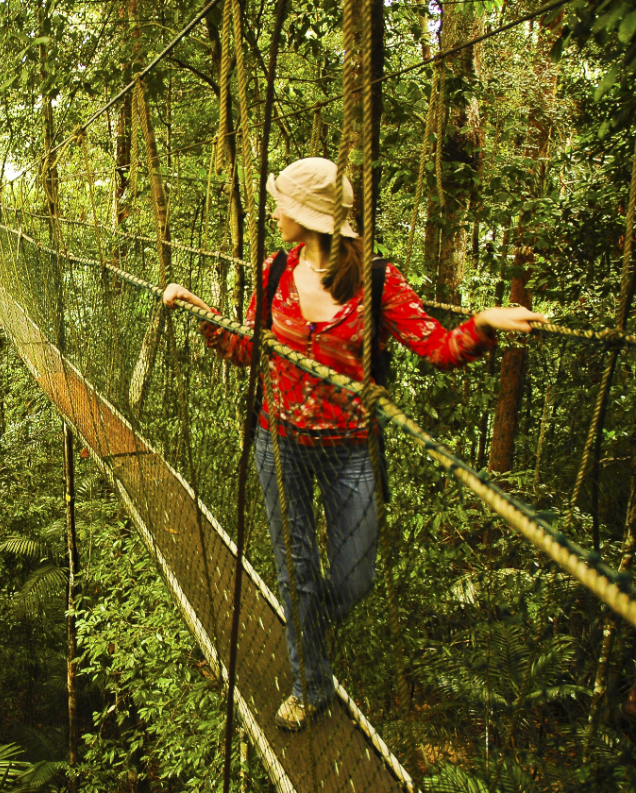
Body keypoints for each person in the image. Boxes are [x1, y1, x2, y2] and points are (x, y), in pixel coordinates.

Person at [161, 158, 546, 731]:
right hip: (279, 440)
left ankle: (307, 625)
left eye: (283, 202)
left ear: (309, 215)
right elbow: (248, 349)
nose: (275, 211)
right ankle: (310, 687)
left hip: (350, 449)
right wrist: (200, 310)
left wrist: (484, 322)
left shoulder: (377, 282)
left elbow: (437, 348)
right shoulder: (274, 271)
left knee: (353, 578)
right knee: (296, 572)